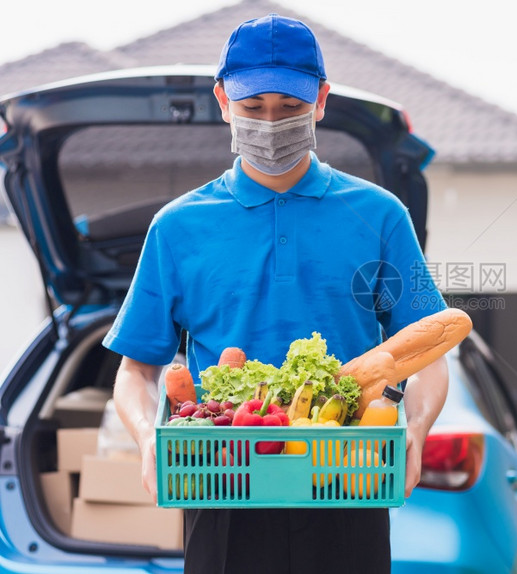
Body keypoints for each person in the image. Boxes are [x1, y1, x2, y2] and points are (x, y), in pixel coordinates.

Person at [104, 13, 449, 574]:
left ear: (320, 99)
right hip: (223, 484)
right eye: (253, 107)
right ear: (222, 101)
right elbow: (136, 370)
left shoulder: (381, 216)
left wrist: (415, 427)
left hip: (346, 478)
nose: (271, 123)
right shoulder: (178, 227)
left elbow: (426, 354)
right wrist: (148, 438)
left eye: (289, 108)